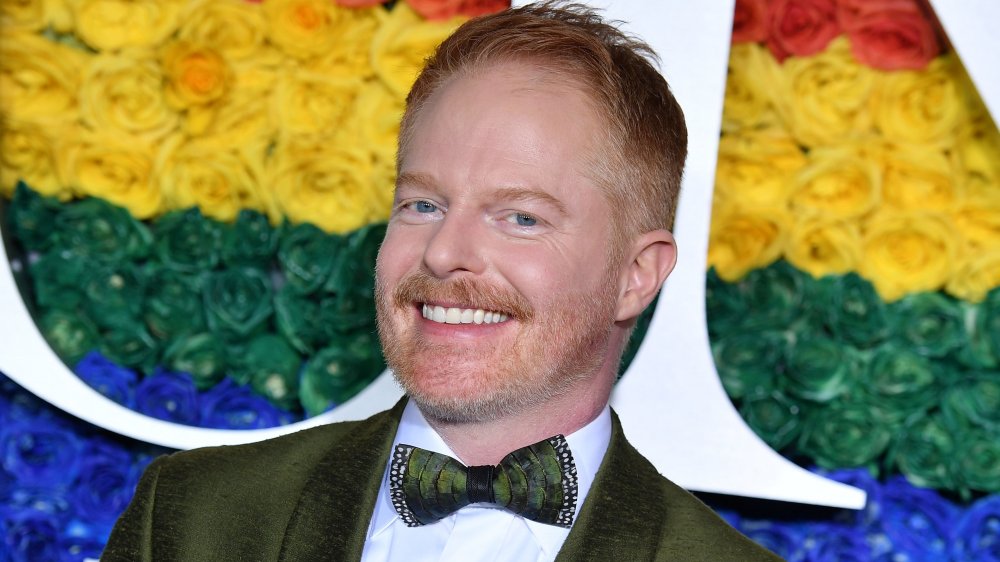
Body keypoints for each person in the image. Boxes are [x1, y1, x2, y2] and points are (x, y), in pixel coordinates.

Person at [102, 3, 782, 560]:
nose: (445, 253)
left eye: (520, 217)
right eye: (422, 205)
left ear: (636, 276)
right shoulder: (194, 521)